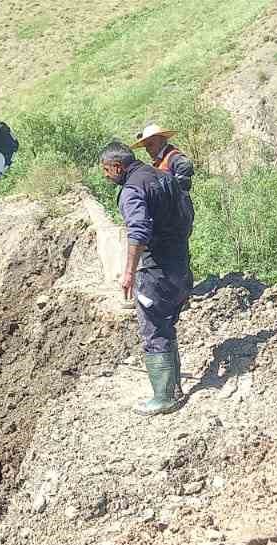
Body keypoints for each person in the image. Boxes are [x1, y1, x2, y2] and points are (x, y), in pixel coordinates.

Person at [99, 141, 194, 415]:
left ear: (118, 167)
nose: (106, 175)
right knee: (167, 325)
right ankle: (173, 388)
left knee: (153, 328)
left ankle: (164, 397)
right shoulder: (164, 177)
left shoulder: (132, 190)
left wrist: (128, 271)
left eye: (106, 170)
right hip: (181, 266)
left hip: (156, 271)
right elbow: (188, 217)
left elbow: (138, 231)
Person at [132, 123, 195, 193]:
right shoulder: (160, 160)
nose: (147, 150)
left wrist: (175, 189)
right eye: (146, 146)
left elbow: (185, 165)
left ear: (162, 140)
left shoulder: (172, 156)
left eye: (150, 144)